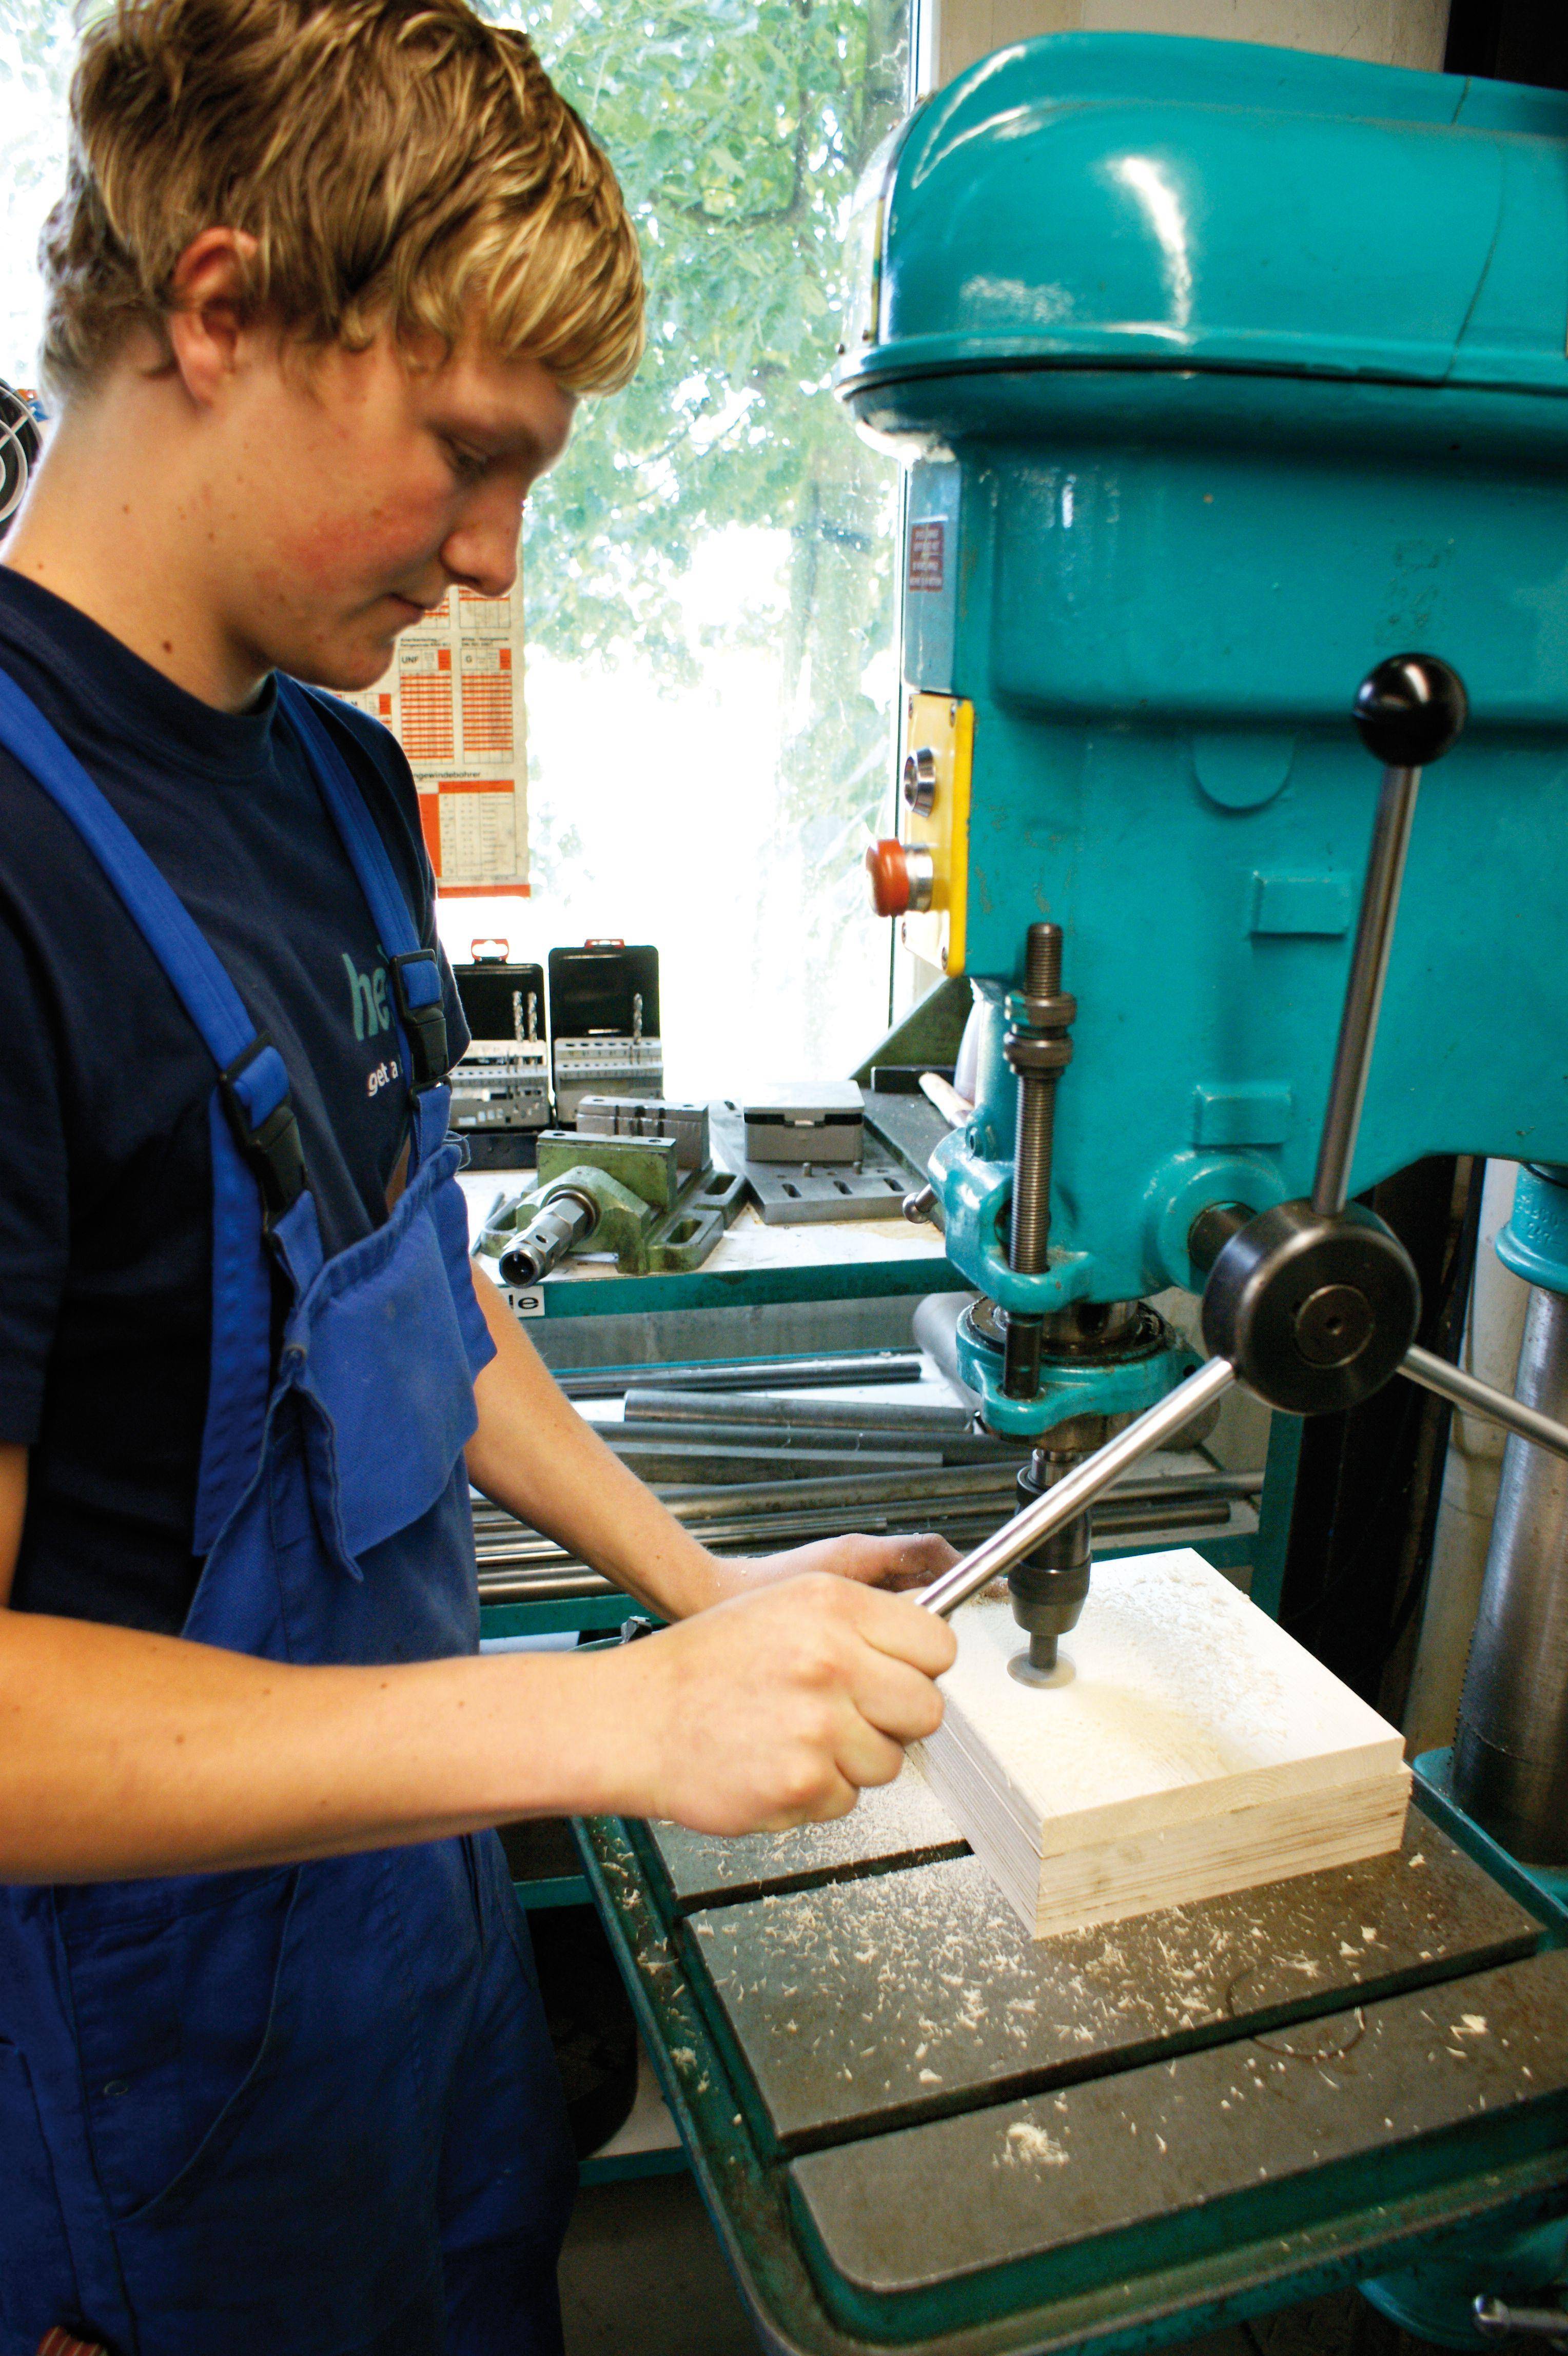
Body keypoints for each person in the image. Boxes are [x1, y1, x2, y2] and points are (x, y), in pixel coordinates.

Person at [0, 0, 958, 2346]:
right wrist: (613, 1724)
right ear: (215, 309)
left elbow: (412, 1291)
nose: (498, 556)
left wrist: (689, 1595)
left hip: (401, 1963)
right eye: (461, 451)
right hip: (136, 2077)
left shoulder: (338, 785)